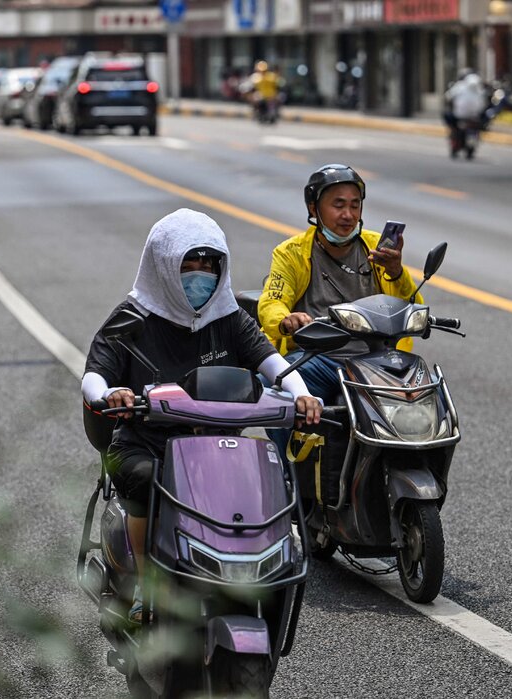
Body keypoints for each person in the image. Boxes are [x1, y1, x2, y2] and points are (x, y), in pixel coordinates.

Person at [81, 208, 322, 623]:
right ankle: (143, 586)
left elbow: (273, 365)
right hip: (147, 445)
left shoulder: (229, 318)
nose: (199, 275)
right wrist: (110, 393)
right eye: (188, 264)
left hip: (220, 447)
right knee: (144, 484)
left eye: (208, 265)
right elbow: (93, 376)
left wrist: (302, 395)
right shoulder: (131, 320)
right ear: (163, 263)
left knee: (270, 479)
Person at [258, 164, 422, 408]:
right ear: (314, 208)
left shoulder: (377, 247)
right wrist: (286, 319)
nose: (348, 214)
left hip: (377, 360)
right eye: (338, 205)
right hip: (318, 358)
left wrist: (395, 270)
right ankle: (285, 449)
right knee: (272, 391)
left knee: (430, 397)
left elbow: (412, 306)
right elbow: (272, 301)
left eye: (354, 205)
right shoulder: (290, 253)